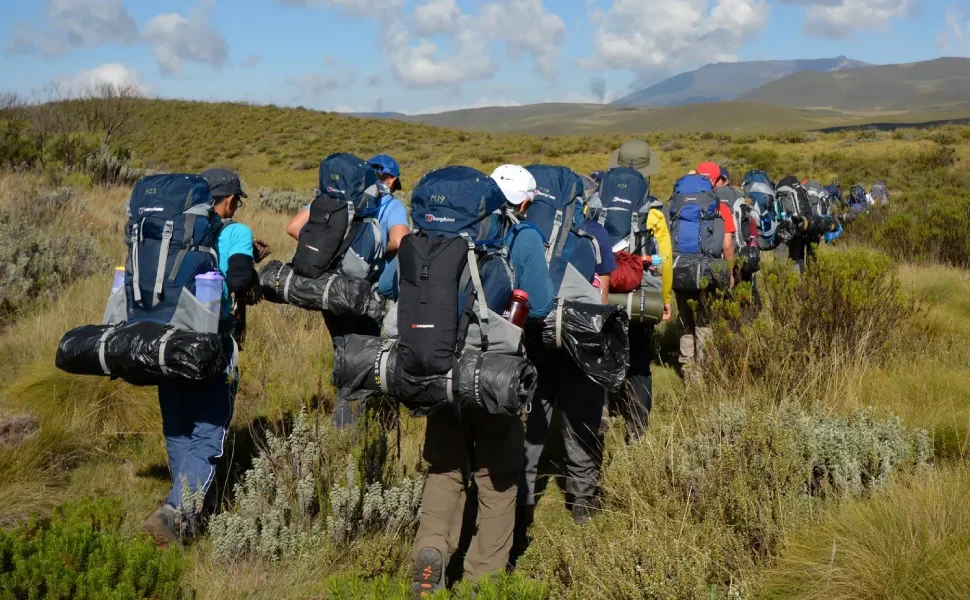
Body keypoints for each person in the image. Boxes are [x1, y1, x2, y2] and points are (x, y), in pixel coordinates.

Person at [410, 165, 554, 598]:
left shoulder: (431, 238)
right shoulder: (521, 236)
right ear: (523, 201)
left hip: (436, 370)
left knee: (445, 468)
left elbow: (388, 285)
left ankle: (432, 551)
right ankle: (482, 581)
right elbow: (542, 304)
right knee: (498, 478)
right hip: (493, 375)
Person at [142, 168, 269, 546]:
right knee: (209, 432)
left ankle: (184, 513)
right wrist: (251, 265)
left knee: (179, 425)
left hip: (165, 340)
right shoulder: (235, 231)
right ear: (229, 200)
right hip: (211, 342)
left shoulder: (171, 230)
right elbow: (240, 280)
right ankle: (175, 512)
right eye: (237, 200)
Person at [286, 154, 409, 427]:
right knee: (362, 357)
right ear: (393, 179)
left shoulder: (337, 199)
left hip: (329, 289)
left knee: (342, 346)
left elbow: (294, 227)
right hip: (367, 295)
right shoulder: (392, 205)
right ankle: (346, 428)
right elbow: (400, 241)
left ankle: (345, 413)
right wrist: (375, 254)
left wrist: (330, 256)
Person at [602, 141, 672, 441]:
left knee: (601, 355)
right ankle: (637, 430)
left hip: (601, 293)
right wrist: (665, 299)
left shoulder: (594, 202)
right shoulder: (653, 211)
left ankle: (599, 413)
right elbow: (665, 260)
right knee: (641, 363)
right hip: (639, 296)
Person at [675, 163, 735, 383]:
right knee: (704, 322)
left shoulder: (676, 204)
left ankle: (687, 370)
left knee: (684, 321)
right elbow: (727, 246)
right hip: (707, 272)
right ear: (716, 180)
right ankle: (703, 371)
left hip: (679, 269)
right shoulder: (720, 208)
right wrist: (729, 273)